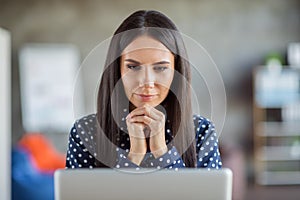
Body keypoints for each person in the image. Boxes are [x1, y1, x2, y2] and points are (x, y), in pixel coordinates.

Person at [66, 10, 222, 170]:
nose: (146, 82)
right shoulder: (85, 132)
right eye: (133, 67)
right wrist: (135, 155)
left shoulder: (202, 132)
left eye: (160, 68)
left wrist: (161, 151)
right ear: (117, 70)